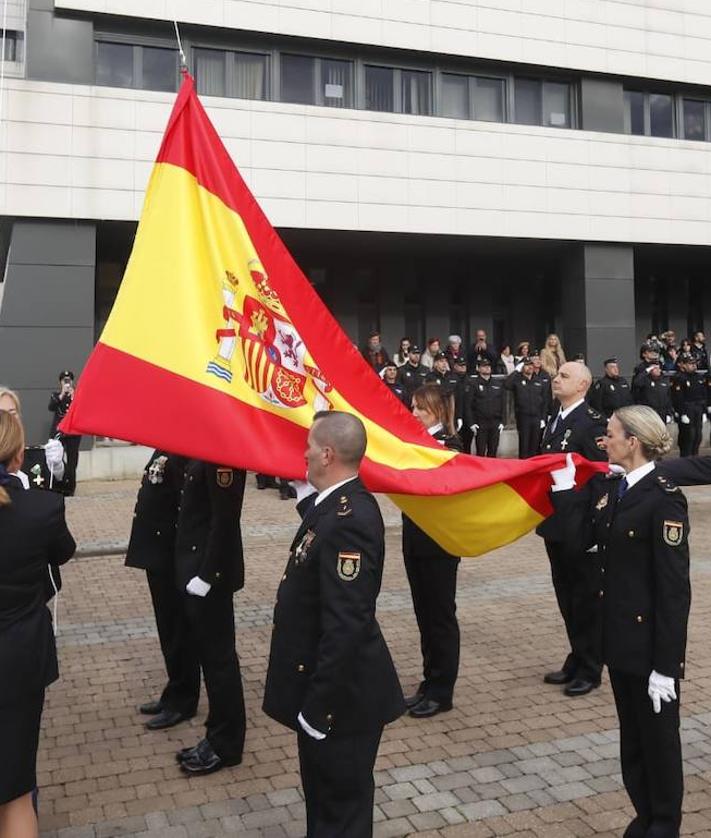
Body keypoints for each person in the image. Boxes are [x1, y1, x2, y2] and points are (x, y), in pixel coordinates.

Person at [549, 406, 689, 838]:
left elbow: (673, 591)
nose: (602, 440)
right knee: (633, 740)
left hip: (650, 647)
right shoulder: (615, 489)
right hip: (621, 642)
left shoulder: (664, 498)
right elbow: (579, 544)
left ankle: (664, 823)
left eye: (610, 434)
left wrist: (667, 666)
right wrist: (566, 492)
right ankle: (644, 816)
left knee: (659, 744)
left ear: (633, 442)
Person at [263, 411, 404, 838]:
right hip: (333, 694)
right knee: (325, 808)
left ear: (327, 454)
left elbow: (347, 624)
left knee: (340, 814)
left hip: (342, 701)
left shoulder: (349, 521)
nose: (302, 453)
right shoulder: (336, 507)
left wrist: (317, 709)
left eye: (308, 446)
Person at [0, 412, 75, 838]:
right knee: (15, 786)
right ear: (16, 455)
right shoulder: (42, 507)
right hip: (20, 657)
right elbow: (63, 551)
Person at [538, 362, 607, 697]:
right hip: (557, 523)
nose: (556, 379)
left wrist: (595, 531)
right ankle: (577, 656)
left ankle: (591, 667)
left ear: (582, 385)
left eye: (564, 376)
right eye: (557, 374)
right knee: (567, 596)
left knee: (585, 599)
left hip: (580, 526)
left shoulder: (592, 424)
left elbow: (600, 478)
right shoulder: (556, 418)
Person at [174, 460, 247, 775]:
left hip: (210, 575)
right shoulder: (204, 448)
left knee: (220, 662)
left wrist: (208, 575)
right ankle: (215, 733)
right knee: (210, 658)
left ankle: (226, 744)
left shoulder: (222, 456)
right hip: (195, 566)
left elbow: (225, 518)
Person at [125, 450, 199, 731]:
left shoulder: (183, 453)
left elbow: (187, 508)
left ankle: (183, 700)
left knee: (179, 632)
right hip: (158, 555)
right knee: (168, 630)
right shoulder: (163, 448)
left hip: (172, 556)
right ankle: (174, 691)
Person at [403, 385, 463, 718]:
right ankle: (429, 681)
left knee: (440, 617)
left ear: (437, 412)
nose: (413, 414)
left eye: (420, 409)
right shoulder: (417, 444)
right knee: (423, 615)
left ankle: (442, 691)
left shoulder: (449, 445)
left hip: (439, 544)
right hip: (415, 540)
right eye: (412, 407)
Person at [0, 387, 66, 493]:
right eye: (2, 415)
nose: (9, 421)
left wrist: (58, 468)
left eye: (12, 413)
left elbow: (60, 492)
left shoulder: (37, 458)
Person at [506, 356, 547, 458]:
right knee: (524, 445)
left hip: (537, 417)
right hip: (523, 417)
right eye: (526, 365)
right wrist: (516, 371)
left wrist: (543, 418)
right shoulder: (517, 380)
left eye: (531, 365)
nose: (529, 367)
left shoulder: (538, 381)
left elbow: (544, 401)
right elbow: (506, 385)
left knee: (535, 445)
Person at [48, 371, 81, 496]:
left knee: (72, 461)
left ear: (72, 382)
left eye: (69, 380)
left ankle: (70, 488)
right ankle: (58, 486)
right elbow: (51, 407)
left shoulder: (76, 395)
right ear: (60, 382)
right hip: (60, 433)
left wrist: (73, 397)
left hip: (73, 433)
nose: (67, 383)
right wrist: (62, 394)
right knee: (57, 459)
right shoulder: (56, 395)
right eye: (64, 381)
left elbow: (80, 409)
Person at [464, 358, 504, 457]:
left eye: (488, 366)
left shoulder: (497, 384)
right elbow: (468, 405)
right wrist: (471, 423)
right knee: (480, 451)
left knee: (493, 450)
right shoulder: (473, 384)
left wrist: (503, 421)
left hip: (495, 422)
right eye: (484, 366)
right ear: (478, 368)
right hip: (480, 423)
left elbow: (502, 403)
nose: (487, 368)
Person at [671, 353, 707, 457]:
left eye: (694, 364)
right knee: (688, 437)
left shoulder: (698, 377)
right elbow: (677, 397)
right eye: (690, 364)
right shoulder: (679, 378)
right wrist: (681, 413)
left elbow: (703, 395)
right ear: (683, 365)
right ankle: (686, 459)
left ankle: (695, 457)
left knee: (698, 436)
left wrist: (704, 411)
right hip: (687, 409)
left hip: (698, 408)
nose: (693, 366)